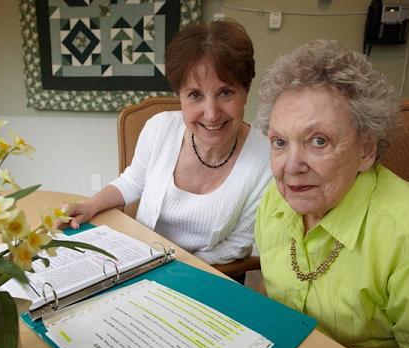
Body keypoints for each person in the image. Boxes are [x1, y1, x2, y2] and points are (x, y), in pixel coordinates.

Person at [254, 39, 409, 348]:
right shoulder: (273, 204)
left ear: (366, 150)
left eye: (318, 141)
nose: (291, 167)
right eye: (279, 142)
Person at [63, 19, 271, 266]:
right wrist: (89, 205)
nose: (212, 113)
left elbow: (237, 245)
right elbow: (132, 181)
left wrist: (171, 266)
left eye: (225, 92)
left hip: (200, 273)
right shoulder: (159, 128)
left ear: (245, 92)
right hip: (137, 261)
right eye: (195, 95)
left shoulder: (267, 160)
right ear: (180, 96)